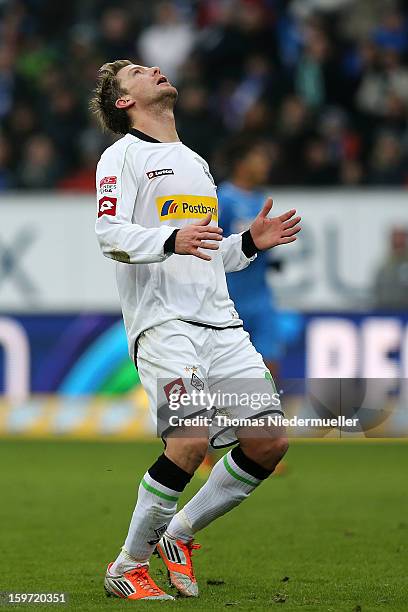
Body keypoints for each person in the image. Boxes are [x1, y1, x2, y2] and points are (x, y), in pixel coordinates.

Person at [90, 60, 301, 602]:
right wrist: (168, 239)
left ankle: (178, 534)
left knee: (268, 441)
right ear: (123, 101)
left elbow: (207, 255)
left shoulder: (195, 163)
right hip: (165, 326)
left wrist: (250, 242)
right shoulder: (122, 157)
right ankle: (128, 565)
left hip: (222, 325)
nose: (155, 69)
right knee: (189, 438)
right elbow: (110, 234)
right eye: (138, 71)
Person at [219, 139, 283, 375]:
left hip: (261, 296)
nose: (266, 165)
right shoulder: (223, 199)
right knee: (229, 370)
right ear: (241, 164)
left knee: (271, 363)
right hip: (231, 299)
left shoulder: (260, 200)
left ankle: (270, 411)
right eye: (260, 159)